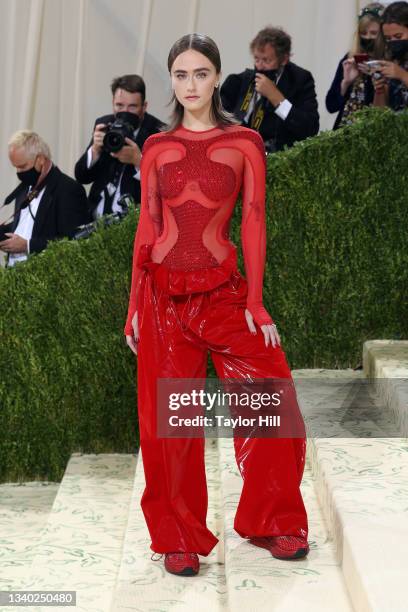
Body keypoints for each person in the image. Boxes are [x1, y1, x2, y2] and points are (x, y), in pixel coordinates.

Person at [124, 33, 309, 578]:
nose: (190, 85)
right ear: (172, 81)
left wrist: (256, 300)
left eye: (200, 74)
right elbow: (147, 227)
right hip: (162, 300)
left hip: (225, 295)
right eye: (180, 75)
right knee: (171, 424)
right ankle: (178, 537)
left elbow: (254, 221)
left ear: (217, 76)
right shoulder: (157, 146)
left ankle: (272, 521)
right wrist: (134, 305)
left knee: (271, 403)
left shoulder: (246, 141)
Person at [75, 74, 164, 218]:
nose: (125, 112)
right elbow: (82, 176)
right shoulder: (104, 123)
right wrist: (95, 151)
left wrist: (139, 161)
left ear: (144, 107)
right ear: (112, 103)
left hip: (133, 221)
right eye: (119, 106)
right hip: (95, 217)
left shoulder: (159, 133)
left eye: (132, 107)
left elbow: (165, 189)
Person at [220, 26, 319, 152]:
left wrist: (277, 99)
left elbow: (310, 129)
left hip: (277, 158)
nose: (260, 66)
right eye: (256, 59)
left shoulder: (300, 80)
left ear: (284, 59)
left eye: (266, 60)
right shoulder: (238, 82)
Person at [0, 130, 91, 267]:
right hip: (16, 277)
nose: (19, 173)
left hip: (47, 280)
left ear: (40, 160)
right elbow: (25, 225)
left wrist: (28, 246)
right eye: (16, 168)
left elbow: (76, 239)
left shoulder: (68, 189)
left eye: (22, 166)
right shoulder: (25, 187)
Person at [326, 3, 385, 129]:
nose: (367, 37)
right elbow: (331, 106)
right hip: (344, 133)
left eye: (373, 33)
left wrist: (375, 77)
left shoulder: (388, 63)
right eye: (363, 33)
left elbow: (384, 111)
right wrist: (345, 83)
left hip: (372, 135)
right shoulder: (350, 58)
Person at [373, 1, 408, 110]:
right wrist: (380, 89)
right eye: (388, 38)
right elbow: (379, 113)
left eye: (398, 36)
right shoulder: (392, 59)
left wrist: (402, 75)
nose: (393, 42)